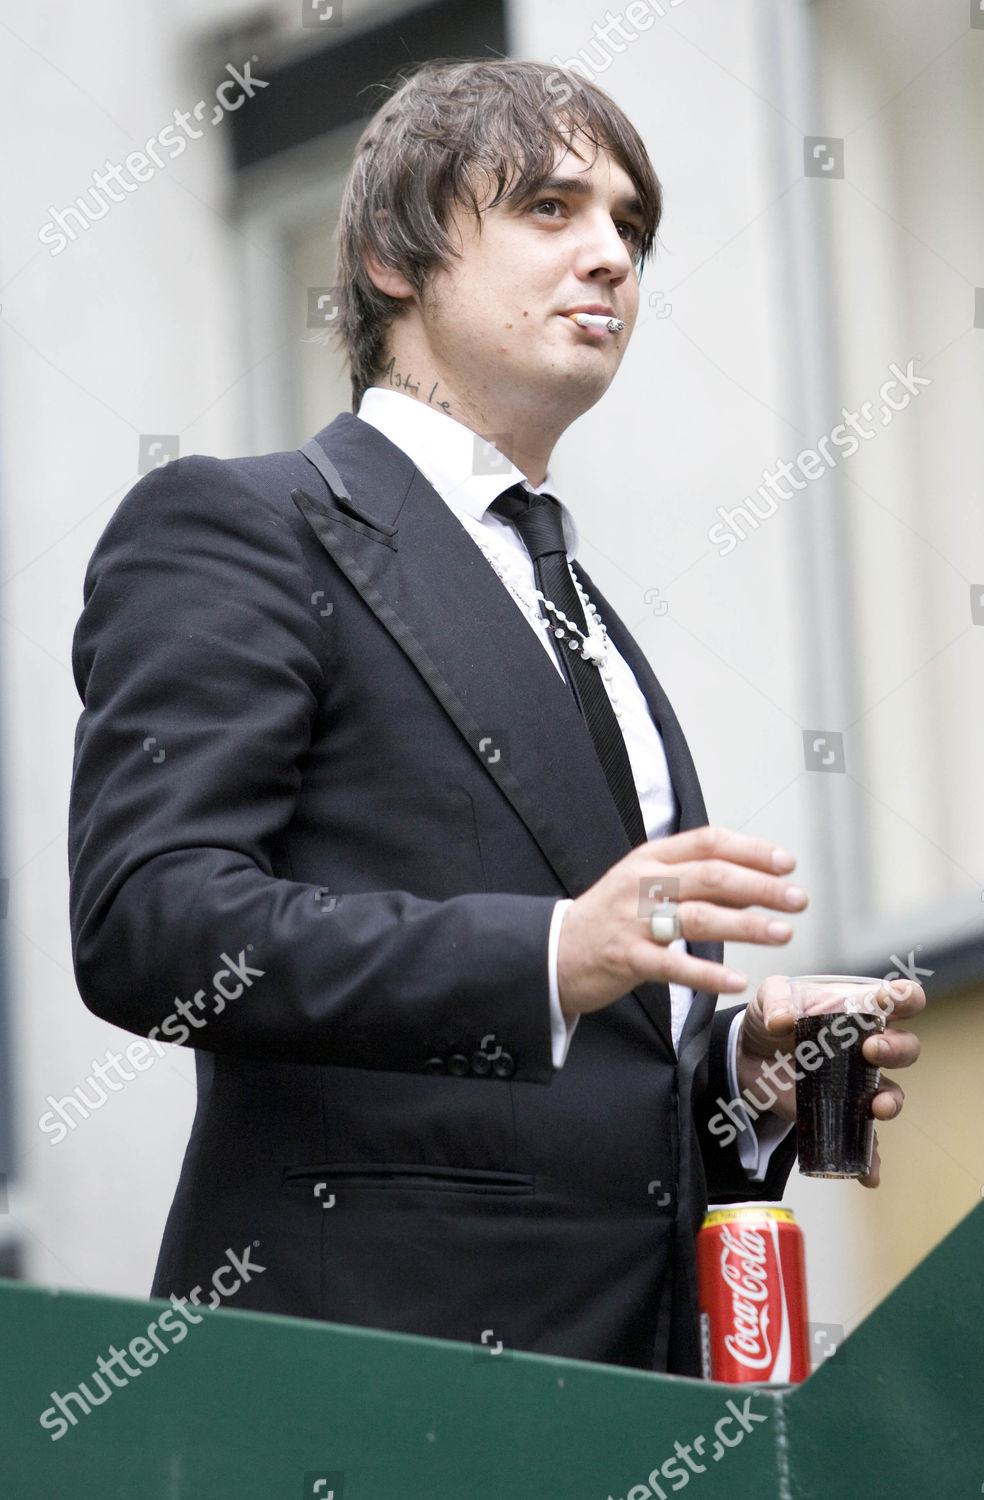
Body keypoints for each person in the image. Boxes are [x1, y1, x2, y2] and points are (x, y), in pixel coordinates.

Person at [67, 58, 924, 1375]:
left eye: (629, 225)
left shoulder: (579, 606)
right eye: (550, 207)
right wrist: (550, 953)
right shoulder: (239, 525)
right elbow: (152, 922)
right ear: (390, 259)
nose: (612, 256)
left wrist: (734, 1081)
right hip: (371, 1384)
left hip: (629, 1395)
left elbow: (598, 1067)